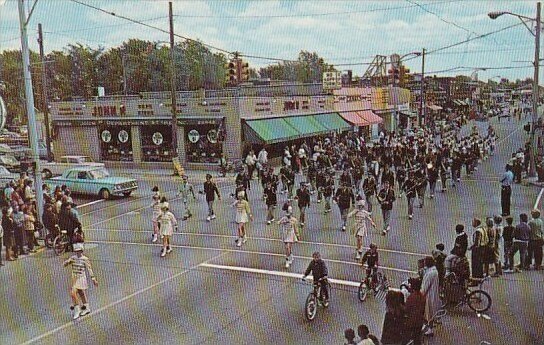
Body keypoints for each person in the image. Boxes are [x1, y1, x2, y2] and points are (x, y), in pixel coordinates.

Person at [63, 243, 98, 319]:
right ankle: (86, 308)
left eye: (79, 251)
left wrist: (93, 279)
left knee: (73, 293)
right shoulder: (73, 258)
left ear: (82, 250)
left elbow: (89, 269)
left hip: (81, 278)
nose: (77, 252)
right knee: (81, 293)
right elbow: (65, 265)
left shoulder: (85, 259)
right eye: (76, 251)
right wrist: (67, 262)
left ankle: (77, 310)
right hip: (74, 277)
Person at [421, 256, 440, 336]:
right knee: (430, 313)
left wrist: (421, 294)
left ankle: (429, 329)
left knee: (427, 313)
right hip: (433, 294)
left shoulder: (430, 273)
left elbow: (425, 287)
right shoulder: (434, 271)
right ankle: (429, 328)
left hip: (429, 296)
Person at [404, 277, 426, 345]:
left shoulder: (411, 297)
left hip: (411, 323)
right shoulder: (422, 297)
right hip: (419, 322)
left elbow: (406, 310)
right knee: (417, 338)